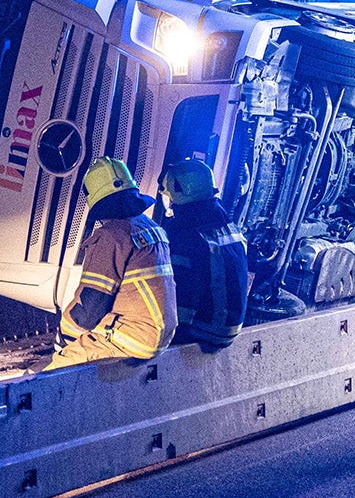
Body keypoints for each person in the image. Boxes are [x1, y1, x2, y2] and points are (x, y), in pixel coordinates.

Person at [44, 157, 178, 370]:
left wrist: (64, 338)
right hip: (161, 335)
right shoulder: (152, 228)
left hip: (134, 338)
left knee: (48, 377)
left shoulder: (111, 236)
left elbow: (90, 307)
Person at [160, 157, 249, 352]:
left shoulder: (183, 232)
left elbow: (177, 289)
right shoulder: (226, 223)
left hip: (203, 330)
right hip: (230, 327)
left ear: (178, 193)